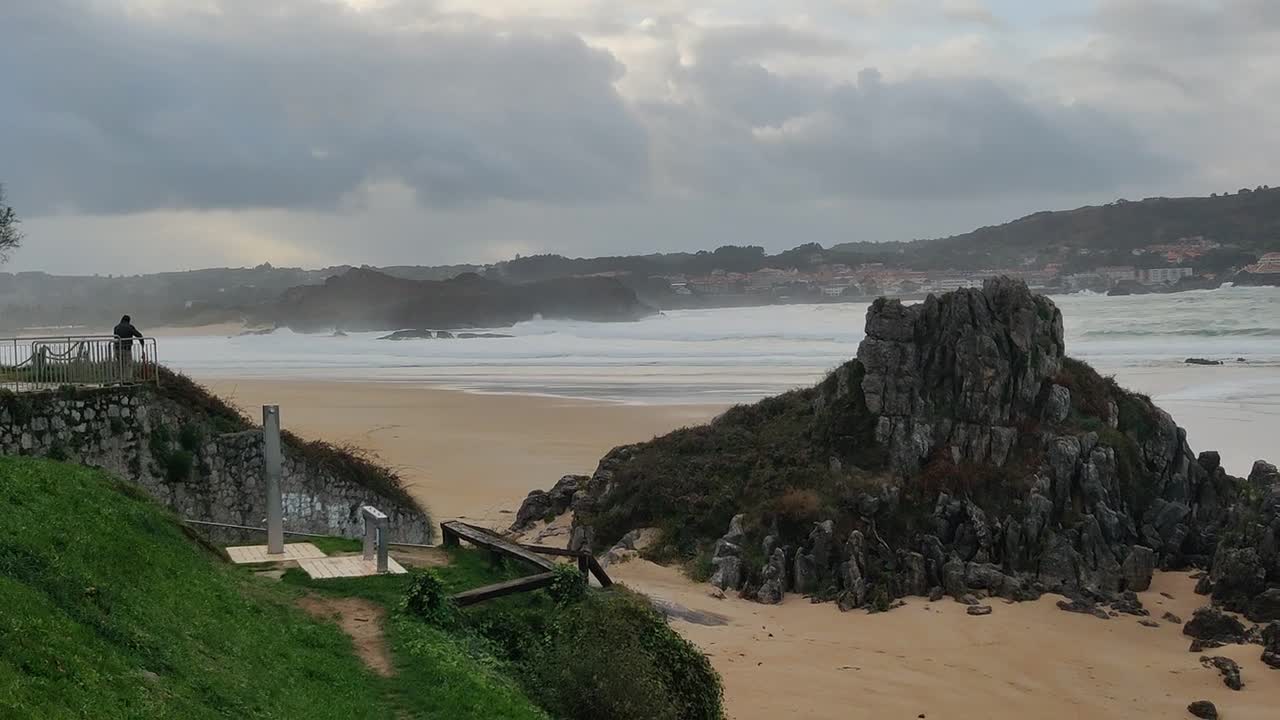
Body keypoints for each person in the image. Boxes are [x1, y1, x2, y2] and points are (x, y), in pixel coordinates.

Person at [113, 315, 143, 380]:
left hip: (117, 348)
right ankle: (127, 379)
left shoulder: (116, 327)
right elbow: (139, 335)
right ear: (128, 321)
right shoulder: (130, 327)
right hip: (126, 349)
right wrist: (142, 345)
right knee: (128, 364)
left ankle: (118, 378)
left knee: (119, 364)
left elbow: (115, 338)